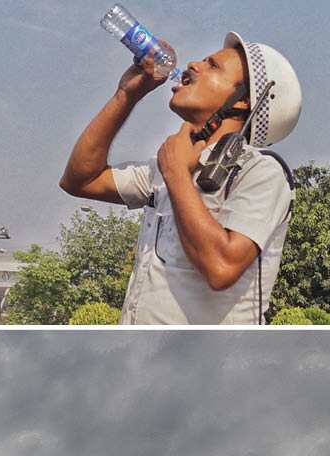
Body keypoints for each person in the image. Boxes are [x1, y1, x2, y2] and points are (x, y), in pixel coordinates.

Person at [60, 33, 302, 324]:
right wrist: (127, 94)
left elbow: (221, 267)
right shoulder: (166, 166)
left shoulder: (260, 172)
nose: (193, 65)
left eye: (213, 66)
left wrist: (176, 173)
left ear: (245, 102)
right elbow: (80, 180)